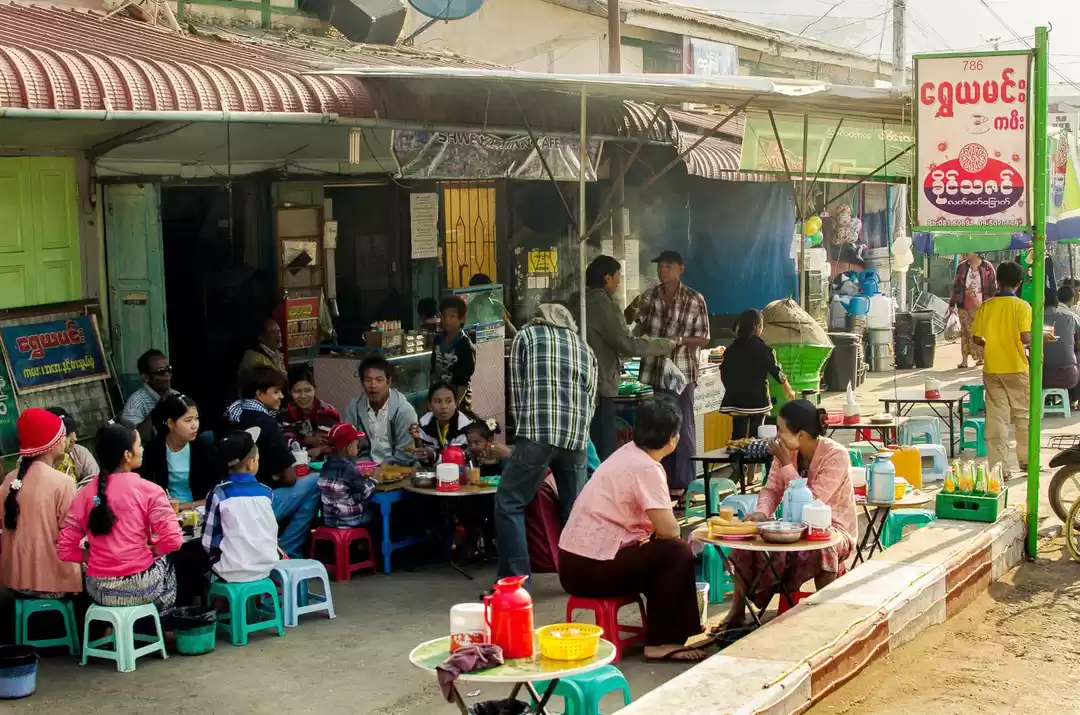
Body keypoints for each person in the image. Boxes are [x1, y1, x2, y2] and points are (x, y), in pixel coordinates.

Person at [559, 396, 707, 662]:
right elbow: (669, 530)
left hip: (575, 563)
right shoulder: (646, 467)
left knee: (663, 552)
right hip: (590, 566)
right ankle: (661, 642)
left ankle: (667, 632)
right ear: (673, 438)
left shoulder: (628, 453)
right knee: (676, 552)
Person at [723, 400, 856, 630]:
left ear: (801, 434)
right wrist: (761, 513)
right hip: (792, 526)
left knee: (823, 548)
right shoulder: (786, 453)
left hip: (832, 528)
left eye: (782, 432)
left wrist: (786, 464)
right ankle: (736, 612)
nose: (777, 438)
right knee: (747, 545)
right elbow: (772, 489)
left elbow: (813, 502)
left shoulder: (836, 455)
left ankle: (824, 616)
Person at [496, 303, 597, 580]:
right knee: (574, 510)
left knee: (509, 502)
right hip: (577, 437)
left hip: (538, 433)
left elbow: (517, 389)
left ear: (539, 319)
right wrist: (579, 434)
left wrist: (522, 432)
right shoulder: (584, 347)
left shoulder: (526, 337)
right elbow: (591, 398)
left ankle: (514, 581)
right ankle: (581, 577)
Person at [57, 422, 183, 611]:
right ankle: (161, 625)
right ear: (127, 455)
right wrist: (153, 551)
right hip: (142, 587)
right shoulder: (149, 491)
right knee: (169, 563)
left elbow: (64, 550)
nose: (142, 449)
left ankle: (114, 627)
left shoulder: (84, 495)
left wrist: (94, 557)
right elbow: (174, 541)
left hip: (100, 590)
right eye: (139, 445)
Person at [583, 255, 676, 461]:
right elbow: (625, 342)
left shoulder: (585, 298)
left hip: (589, 380)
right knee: (602, 443)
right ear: (607, 277)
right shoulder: (600, 301)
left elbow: (612, 328)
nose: (619, 281)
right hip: (600, 382)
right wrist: (664, 344)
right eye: (618, 276)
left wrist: (634, 308)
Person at [632, 250, 710, 491]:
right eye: (659, 267)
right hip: (655, 372)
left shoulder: (694, 299)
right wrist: (635, 307)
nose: (661, 271)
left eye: (667, 266)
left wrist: (678, 341)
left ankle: (685, 484)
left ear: (680, 268)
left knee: (683, 428)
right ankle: (659, 483)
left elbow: (704, 338)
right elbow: (633, 323)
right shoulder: (650, 296)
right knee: (658, 426)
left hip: (682, 373)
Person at [227, 366, 319, 558]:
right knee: (317, 482)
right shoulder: (266, 423)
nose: (281, 397)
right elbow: (289, 477)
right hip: (261, 502)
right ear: (260, 394)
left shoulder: (232, 414)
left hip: (232, 502)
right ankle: (289, 548)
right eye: (276, 392)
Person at [0, 408, 82, 599]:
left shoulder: (9, 481)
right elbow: (73, 534)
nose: (65, 439)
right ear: (50, 444)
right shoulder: (62, 482)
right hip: (53, 585)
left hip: (15, 583)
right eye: (61, 435)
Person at [973, 261, 1033, 472]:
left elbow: (977, 338)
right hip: (1017, 367)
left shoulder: (987, 306)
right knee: (1023, 416)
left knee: (997, 420)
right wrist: (1041, 340)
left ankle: (1000, 469)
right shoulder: (1022, 306)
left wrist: (993, 343)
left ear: (997, 281)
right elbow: (1025, 336)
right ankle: (1026, 461)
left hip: (992, 369)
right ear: (1019, 283)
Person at [201, 428, 280, 583]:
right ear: (251, 463)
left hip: (231, 570)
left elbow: (208, 543)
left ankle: (216, 603)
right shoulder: (267, 493)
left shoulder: (219, 493)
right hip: (266, 567)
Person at [139, 393, 225, 508]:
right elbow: (145, 487)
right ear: (170, 423)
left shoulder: (205, 449)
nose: (195, 425)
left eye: (196, 418)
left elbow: (217, 493)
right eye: (188, 420)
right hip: (164, 511)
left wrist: (184, 506)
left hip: (200, 510)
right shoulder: (154, 449)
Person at [720, 310, 796, 439]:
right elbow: (776, 371)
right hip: (757, 400)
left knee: (738, 435)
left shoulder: (730, 351)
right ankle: (755, 458)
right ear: (757, 327)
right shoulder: (765, 350)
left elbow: (724, 372)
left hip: (736, 400)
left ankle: (736, 458)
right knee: (758, 435)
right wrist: (788, 389)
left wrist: (732, 389)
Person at [345, 357, 419, 466]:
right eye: (368, 380)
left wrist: (383, 469)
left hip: (399, 468)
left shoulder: (404, 410)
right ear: (361, 382)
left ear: (389, 382)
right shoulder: (354, 407)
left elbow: (406, 454)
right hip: (365, 467)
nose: (373, 385)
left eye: (379, 380)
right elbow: (348, 442)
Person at [318, 423, 379, 528]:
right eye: (357, 445)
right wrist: (374, 479)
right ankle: (369, 542)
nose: (358, 448)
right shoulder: (351, 469)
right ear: (349, 448)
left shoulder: (325, 466)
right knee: (376, 513)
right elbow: (365, 494)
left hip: (330, 521)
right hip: (351, 521)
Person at [279, 365, 342, 460]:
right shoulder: (286, 414)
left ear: (315, 389)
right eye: (297, 391)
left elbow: (326, 442)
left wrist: (317, 447)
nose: (303, 396)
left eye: (308, 390)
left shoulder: (327, 412)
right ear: (290, 392)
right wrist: (308, 440)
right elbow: (287, 442)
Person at [950, 253, 997, 369]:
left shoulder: (987, 267)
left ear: (977, 253)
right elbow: (956, 286)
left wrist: (993, 304)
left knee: (979, 331)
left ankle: (981, 357)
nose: (966, 253)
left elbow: (993, 287)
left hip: (981, 304)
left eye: (969, 251)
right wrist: (952, 303)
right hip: (964, 304)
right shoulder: (962, 267)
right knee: (965, 331)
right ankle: (964, 359)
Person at [412, 382, 476, 463]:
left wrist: (433, 455)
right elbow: (424, 456)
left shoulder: (465, 426)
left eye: (449, 401)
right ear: (429, 405)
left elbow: (461, 458)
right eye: (438, 402)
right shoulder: (425, 422)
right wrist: (418, 440)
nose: (444, 406)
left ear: (456, 403)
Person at [120, 349, 177, 440]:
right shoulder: (135, 405)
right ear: (146, 377)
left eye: (168, 370)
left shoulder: (175, 394)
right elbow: (133, 439)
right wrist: (158, 409)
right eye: (161, 371)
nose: (167, 375)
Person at [431, 296, 476, 406]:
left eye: (452, 316)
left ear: (461, 318)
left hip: (458, 403)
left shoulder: (465, 345)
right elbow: (433, 371)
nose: (447, 320)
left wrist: (453, 406)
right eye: (444, 316)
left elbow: (463, 382)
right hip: (438, 399)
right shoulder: (438, 340)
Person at [1043, 285, 1080, 406]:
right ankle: (1076, 398)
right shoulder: (1070, 317)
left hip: (1039, 377)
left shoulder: (1033, 318)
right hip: (1068, 376)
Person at [47, 407, 99, 485]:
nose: (74, 438)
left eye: (74, 431)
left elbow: (96, 482)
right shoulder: (43, 466)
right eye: (67, 435)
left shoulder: (80, 453)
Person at [237, 317, 287, 389]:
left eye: (279, 331)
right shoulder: (254, 358)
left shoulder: (277, 354)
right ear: (261, 337)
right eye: (273, 332)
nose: (278, 335)